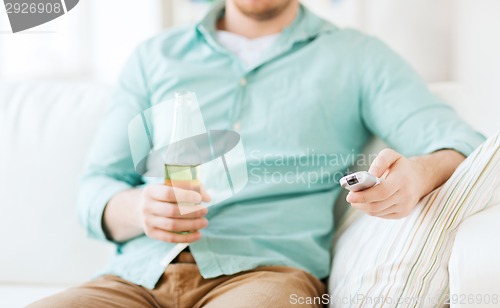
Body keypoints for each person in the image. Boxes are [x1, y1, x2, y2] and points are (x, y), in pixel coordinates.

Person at [29, 0, 485, 307]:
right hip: (136, 277)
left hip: (267, 277)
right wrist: (135, 209)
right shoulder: (155, 56)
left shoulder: (357, 56)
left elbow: (460, 142)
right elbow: (95, 187)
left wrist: (418, 176)